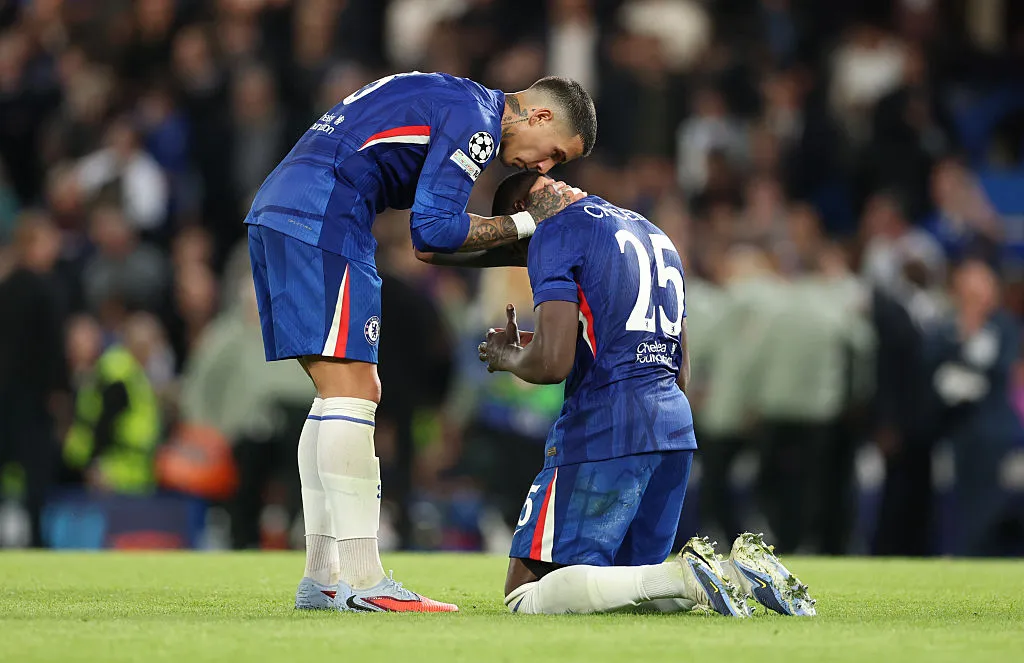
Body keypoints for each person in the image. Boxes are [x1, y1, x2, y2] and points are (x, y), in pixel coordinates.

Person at [244, 71, 597, 612]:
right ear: (540, 116)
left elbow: (430, 249)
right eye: (554, 154)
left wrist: (530, 235)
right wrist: (530, 221)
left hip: (288, 208)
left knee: (338, 392)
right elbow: (433, 231)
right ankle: (363, 579)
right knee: (354, 392)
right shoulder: (478, 122)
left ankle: (323, 578)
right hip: (325, 216)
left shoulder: (455, 97)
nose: (544, 167)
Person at [467, 172, 815, 616]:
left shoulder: (555, 230)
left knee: (525, 595)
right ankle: (733, 574)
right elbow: (679, 369)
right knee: (627, 595)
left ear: (517, 215)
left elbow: (554, 363)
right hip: (672, 428)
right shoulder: (654, 233)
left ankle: (683, 574)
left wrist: (509, 357)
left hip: (606, 427)